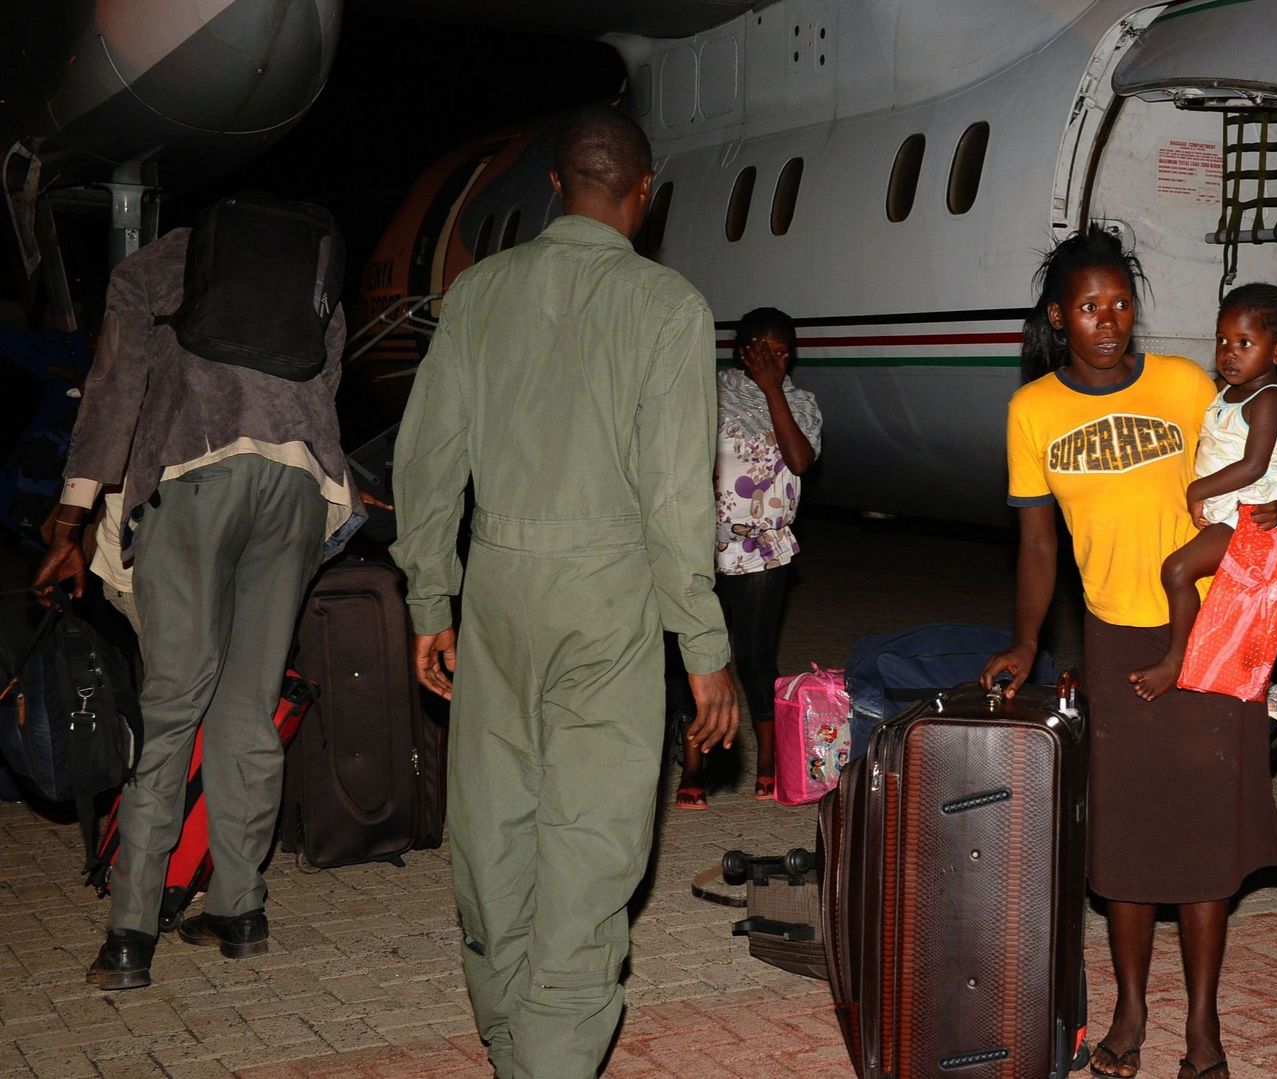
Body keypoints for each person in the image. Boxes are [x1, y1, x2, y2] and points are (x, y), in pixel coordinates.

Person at [388, 105, 742, 1078]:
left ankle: (514, 1042)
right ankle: (550, 1058)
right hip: (609, 601)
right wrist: (705, 650)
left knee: (494, 827)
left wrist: (431, 600)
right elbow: (678, 495)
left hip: (498, 588)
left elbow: (426, 462)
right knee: (588, 844)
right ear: (643, 195)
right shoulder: (666, 305)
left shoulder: (479, 294)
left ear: (553, 185)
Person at [981, 229, 1277, 1079]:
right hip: (1116, 635)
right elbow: (1039, 544)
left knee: (1203, 841)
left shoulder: (1187, 385)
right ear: (1058, 317)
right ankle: (1128, 1009)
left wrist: (1273, 527)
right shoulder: (1033, 410)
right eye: (1089, 306)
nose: (1110, 320)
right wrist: (1025, 638)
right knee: (1124, 842)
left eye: (1122, 302)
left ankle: (1204, 1027)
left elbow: (1264, 468)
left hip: (1211, 631)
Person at [34, 220, 359, 990]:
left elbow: (117, 385)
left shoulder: (157, 264)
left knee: (173, 700)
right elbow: (329, 373)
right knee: (248, 701)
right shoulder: (308, 260)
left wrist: (73, 513)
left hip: (197, 467)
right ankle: (240, 909)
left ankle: (130, 935)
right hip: (298, 481)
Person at [1128, 283, 1277, 701]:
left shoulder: (1269, 399)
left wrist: (1197, 488)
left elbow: (1254, 464)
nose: (1229, 352)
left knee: (1177, 570)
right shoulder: (1227, 392)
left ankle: (1175, 660)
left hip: (1247, 509)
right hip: (1227, 504)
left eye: (1244, 343)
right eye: (1222, 340)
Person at [677, 306, 821, 809]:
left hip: (763, 546)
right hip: (698, 545)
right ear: (742, 351)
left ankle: (768, 761)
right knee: (692, 655)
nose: (774, 360)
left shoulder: (800, 402)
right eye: (763, 351)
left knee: (756, 658)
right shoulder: (708, 392)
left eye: (783, 353)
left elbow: (800, 460)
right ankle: (693, 765)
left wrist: (772, 388)